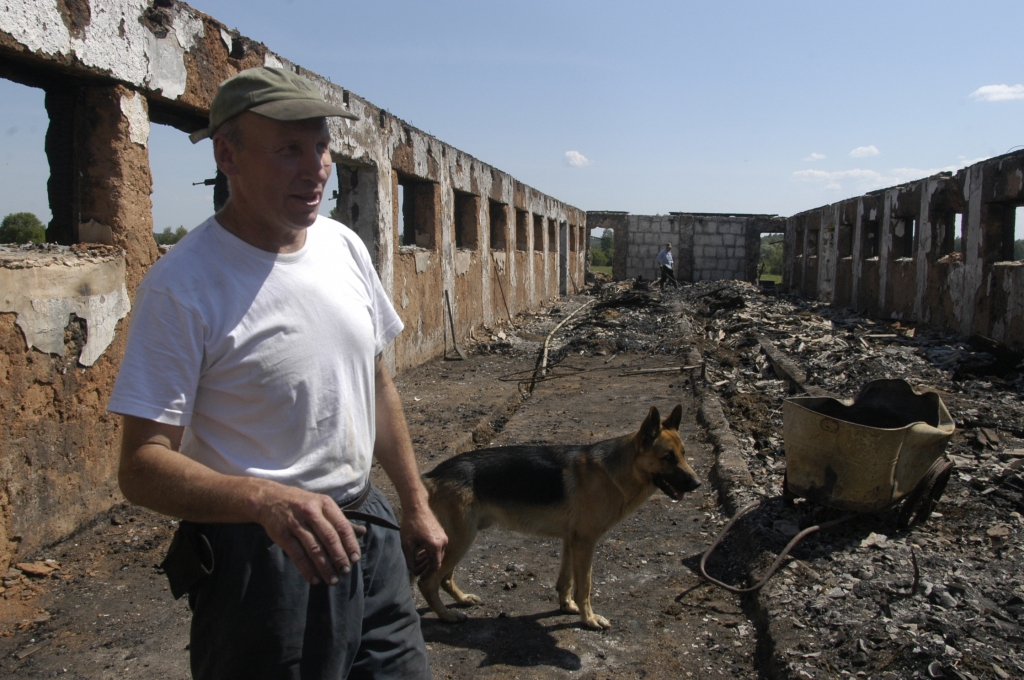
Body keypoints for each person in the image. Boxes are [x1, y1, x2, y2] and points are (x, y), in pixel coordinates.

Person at [108, 67, 447, 679]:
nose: (316, 168)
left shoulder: (344, 247)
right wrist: (263, 499)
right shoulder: (183, 286)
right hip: (260, 558)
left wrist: (415, 502)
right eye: (289, 149)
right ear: (227, 155)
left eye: (322, 147)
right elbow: (141, 466)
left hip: (367, 533)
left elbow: (375, 385)